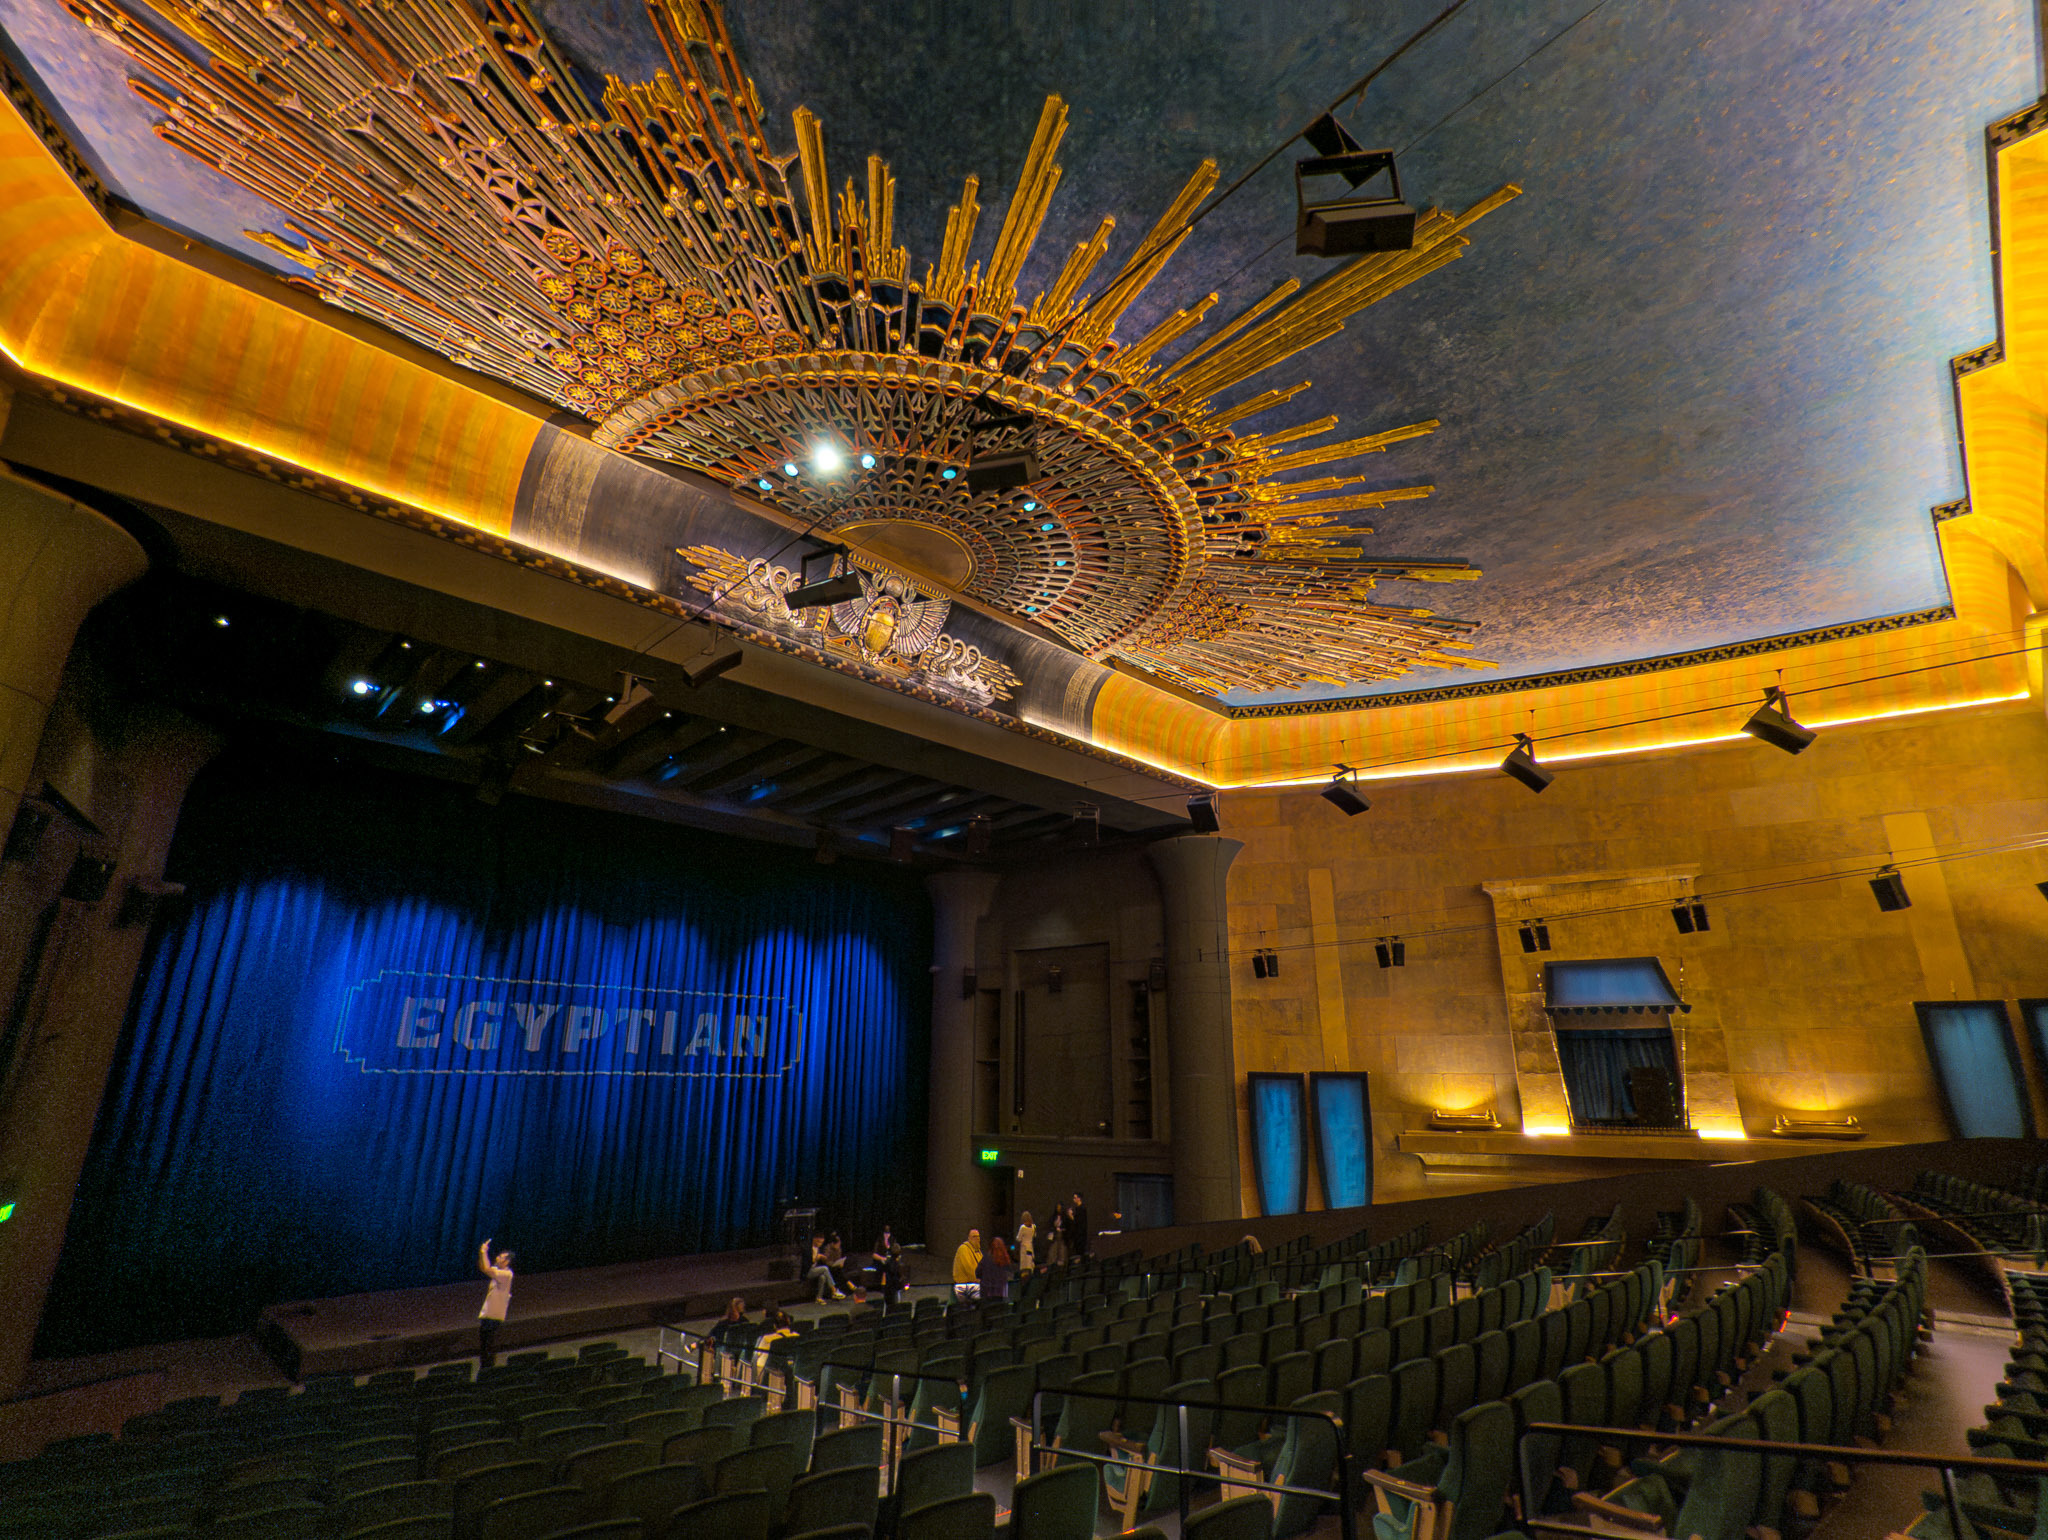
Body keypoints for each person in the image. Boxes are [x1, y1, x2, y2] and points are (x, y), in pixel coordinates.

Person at [476, 1239, 514, 1368]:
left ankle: (487, 1368)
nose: (497, 1258)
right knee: (485, 1343)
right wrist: (483, 1254)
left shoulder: (506, 1274)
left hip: (493, 1315)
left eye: (501, 1257)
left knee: (488, 1344)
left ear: (507, 1261)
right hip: (490, 1314)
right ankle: (486, 1366)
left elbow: (486, 1268)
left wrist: (483, 1251)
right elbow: (484, 1268)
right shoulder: (499, 1272)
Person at [805, 1233, 843, 1301]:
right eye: (818, 1242)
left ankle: (819, 1297)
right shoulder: (808, 1249)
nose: (820, 1244)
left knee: (822, 1277)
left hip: (815, 1270)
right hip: (807, 1271)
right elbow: (808, 1263)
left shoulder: (818, 1249)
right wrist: (817, 1257)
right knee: (825, 1269)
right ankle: (834, 1290)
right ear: (814, 1240)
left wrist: (823, 1258)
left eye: (821, 1242)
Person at [979, 1235, 1013, 1300]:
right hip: (1002, 1294)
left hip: (987, 1294)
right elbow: (1010, 1274)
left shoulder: (986, 1259)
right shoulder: (1006, 1259)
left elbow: (978, 1273)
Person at [952, 1227, 983, 1300]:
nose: (977, 1239)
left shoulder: (977, 1251)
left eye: (978, 1236)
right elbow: (969, 1270)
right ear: (969, 1238)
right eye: (974, 1236)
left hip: (976, 1284)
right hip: (964, 1285)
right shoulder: (963, 1249)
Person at [1046, 1202, 1069, 1268]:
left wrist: (1062, 1230)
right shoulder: (1053, 1217)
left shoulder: (1065, 1218)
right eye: (1057, 1208)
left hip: (1062, 1237)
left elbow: (1068, 1227)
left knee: (1062, 1253)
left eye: (1060, 1208)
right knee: (1053, 1252)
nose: (1059, 1209)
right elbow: (1050, 1226)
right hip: (1054, 1237)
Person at [1069, 1192, 1090, 1261]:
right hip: (1079, 1234)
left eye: (1075, 1198)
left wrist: (1071, 1216)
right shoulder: (1080, 1208)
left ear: (1079, 1198)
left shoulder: (1081, 1209)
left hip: (1080, 1234)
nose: (1073, 1199)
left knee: (1080, 1252)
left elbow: (1078, 1222)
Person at [1015, 1211, 1037, 1276]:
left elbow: (1018, 1238)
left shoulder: (1023, 1227)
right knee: (1030, 1264)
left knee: (1024, 1266)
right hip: (1030, 1247)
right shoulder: (1034, 1226)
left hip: (1024, 1248)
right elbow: (1034, 1235)